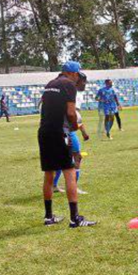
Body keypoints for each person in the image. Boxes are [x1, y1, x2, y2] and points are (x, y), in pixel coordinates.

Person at [39, 61, 95, 228]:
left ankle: (48, 217)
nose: (77, 76)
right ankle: (75, 218)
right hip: (60, 132)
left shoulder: (50, 84)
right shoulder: (68, 85)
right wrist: (74, 126)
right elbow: (71, 112)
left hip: (44, 132)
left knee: (49, 174)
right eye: (77, 73)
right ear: (72, 73)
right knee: (69, 173)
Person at [54, 73, 91, 194]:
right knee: (76, 157)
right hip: (67, 130)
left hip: (61, 128)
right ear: (76, 81)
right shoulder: (72, 92)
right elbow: (73, 115)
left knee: (61, 158)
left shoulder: (68, 91)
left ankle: (54, 185)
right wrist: (82, 131)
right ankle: (73, 187)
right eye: (83, 82)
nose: (85, 84)